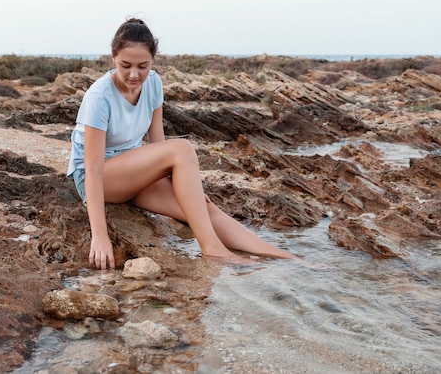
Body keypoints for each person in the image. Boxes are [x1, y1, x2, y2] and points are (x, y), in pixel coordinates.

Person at [67, 18, 296, 270]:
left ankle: (289, 260)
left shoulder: (153, 83)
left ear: (153, 60)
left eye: (143, 66)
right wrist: (100, 235)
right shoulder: (99, 97)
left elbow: (157, 145)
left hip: (133, 174)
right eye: (126, 65)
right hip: (98, 179)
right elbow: (93, 168)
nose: (134, 74)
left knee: (202, 211)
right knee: (183, 148)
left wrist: (187, 189)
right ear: (113, 58)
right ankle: (213, 250)